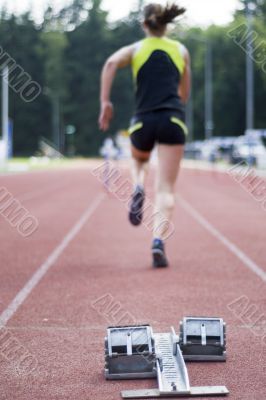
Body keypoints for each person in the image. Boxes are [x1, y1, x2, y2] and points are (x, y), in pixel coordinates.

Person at [99, 2, 191, 268]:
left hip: (142, 120)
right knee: (166, 189)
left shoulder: (136, 49)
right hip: (173, 119)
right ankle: (158, 241)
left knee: (138, 161)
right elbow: (184, 95)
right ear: (166, 25)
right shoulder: (181, 50)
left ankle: (138, 184)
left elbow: (110, 63)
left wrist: (105, 102)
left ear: (144, 25)